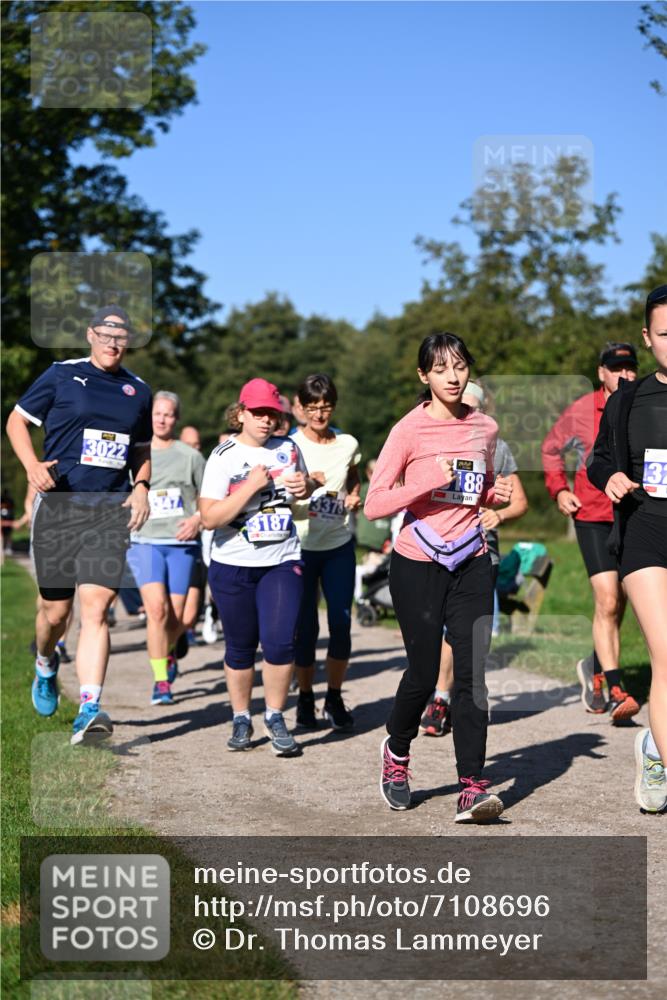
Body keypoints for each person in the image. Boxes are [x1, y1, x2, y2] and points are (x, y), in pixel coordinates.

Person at [365, 333, 512, 820]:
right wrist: (429, 478)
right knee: (425, 673)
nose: (453, 376)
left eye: (461, 366)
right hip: (418, 561)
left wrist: (497, 495)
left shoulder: (484, 428)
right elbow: (375, 504)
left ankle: (472, 785)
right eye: (441, 368)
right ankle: (397, 751)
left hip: (472, 558)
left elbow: (479, 488)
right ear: (424, 376)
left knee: (471, 675)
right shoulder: (407, 431)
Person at [6, 305, 152, 745]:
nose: (113, 341)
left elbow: (141, 447)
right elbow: (16, 420)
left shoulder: (138, 390)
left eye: (121, 335)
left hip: (108, 510)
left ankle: (89, 708)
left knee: (96, 610)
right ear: (90, 335)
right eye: (106, 333)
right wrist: (32, 465)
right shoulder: (61, 374)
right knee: (56, 612)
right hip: (59, 507)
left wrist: (142, 484)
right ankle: (46, 662)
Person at [199, 378, 316, 755]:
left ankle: (275, 715)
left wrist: (306, 487)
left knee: (281, 642)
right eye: (259, 413)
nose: (267, 421)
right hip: (232, 563)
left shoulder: (289, 447)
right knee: (240, 646)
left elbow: (305, 491)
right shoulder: (223, 456)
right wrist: (249, 487)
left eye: (273, 414)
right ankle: (240, 718)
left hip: (281, 559)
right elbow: (210, 518)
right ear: (242, 413)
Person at [588, 285, 667, 814]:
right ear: (648, 337)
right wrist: (613, 475)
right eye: (666, 335)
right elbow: (597, 459)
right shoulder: (627, 400)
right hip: (646, 532)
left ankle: (653, 749)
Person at [420, 381, 528, 737]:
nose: (465, 411)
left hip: (482, 550)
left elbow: (519, 502)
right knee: (440, 628)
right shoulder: (430, 438)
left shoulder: (496, 447)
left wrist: (499, 514)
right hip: (437, 547)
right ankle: (440, 693)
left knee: (469, 631)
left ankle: (448, 699)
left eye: (473, 406)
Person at [542, 342, 640, 723]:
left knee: (625, 601)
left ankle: (594, 667)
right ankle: (615, 688)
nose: (625, 374)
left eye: (630, 367)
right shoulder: (582, 409)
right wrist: (560, 489)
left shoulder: (643, 401)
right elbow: (551, 448)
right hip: (593, 516)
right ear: (601, 372)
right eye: (616, 368)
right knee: (608, 597)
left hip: (632, 515)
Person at [291, 374, 361, 730]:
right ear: (301, 408)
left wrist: (354, 494)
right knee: (305, 628)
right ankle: (305, 697)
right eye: (313, 408)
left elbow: (353, 473)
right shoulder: (289, 445)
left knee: (341, 622)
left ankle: (333, 696)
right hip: (300, 547)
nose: (320, 415)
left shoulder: (348, 442)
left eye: (326, 407)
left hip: (338, 545)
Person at [126, 391, 205, 704]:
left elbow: (209, 497)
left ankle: (169, 651)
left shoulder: (191, 457)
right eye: (157, 413)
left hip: (180, 543)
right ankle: (161, 682)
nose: (162, 419)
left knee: (180, 619)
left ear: (177, 419)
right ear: (149, 417)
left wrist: (198, 519)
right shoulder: (135, 452)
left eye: (169, 414)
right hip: (145, 541)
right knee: (157, 610)